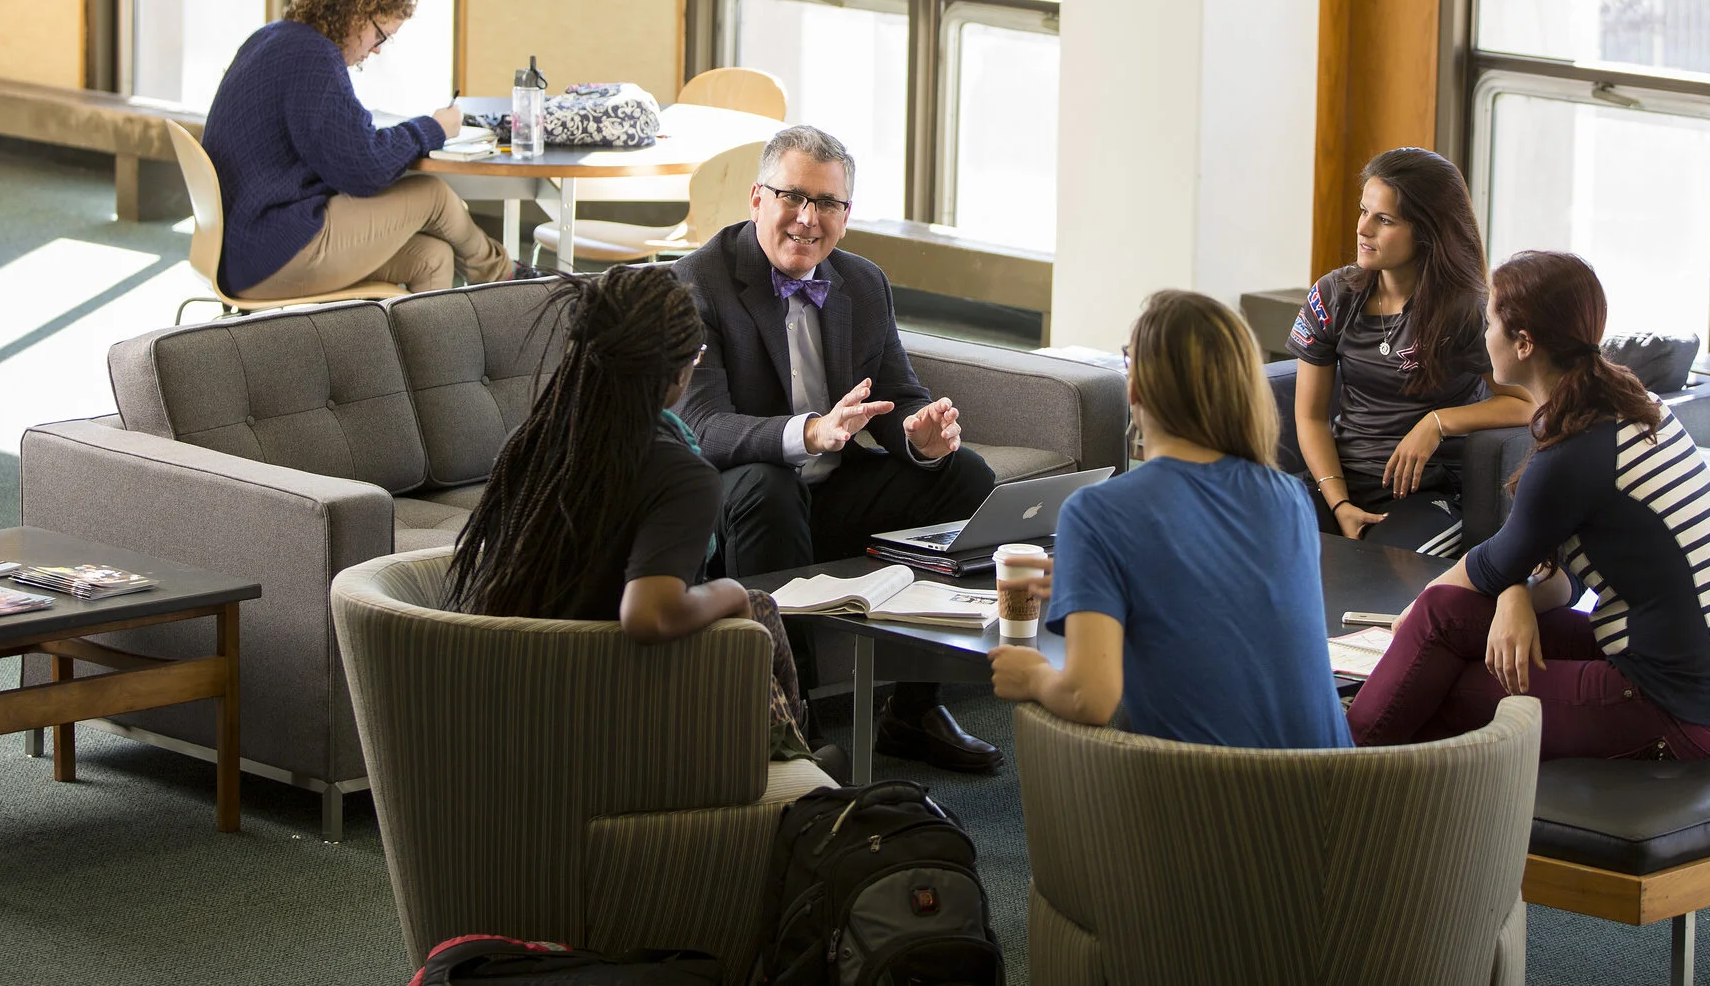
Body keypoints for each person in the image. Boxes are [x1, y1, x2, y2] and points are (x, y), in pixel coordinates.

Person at [672, 124, 1004, 773]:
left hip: (835, 493)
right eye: (791, 196)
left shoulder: (863, 282)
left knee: (965, 475)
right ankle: (792, 725)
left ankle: (914, 708)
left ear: (846, 216)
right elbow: (703, 425)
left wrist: (923, 436)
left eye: (826, 203)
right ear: (756, 198)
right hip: (740, 499)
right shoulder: (698, 282)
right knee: (769, 484)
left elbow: (900, 393)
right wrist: (807, 432)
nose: (806, 217)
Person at [1347, 250, 1710, 760]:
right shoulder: (1626, 406)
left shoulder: (1575, 449)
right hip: (1692, 683)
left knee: (1436, 669)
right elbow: (1569, 574)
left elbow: (1496, 563)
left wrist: (1420, 610)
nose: (1483, 334)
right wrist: (1511, 593)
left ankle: (1332, 772)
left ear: (1524, 343)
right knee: (1443, 616)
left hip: (1674, 708)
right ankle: (1347, 751)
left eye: (1490, 321)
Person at [446, 265, 837, 770]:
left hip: (516, 695)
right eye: (696, 357)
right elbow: (647, 615)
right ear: (676, 373)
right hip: (612, 707)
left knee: (760, 607)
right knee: (746, 605)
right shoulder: (681, 474)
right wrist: (729, 592)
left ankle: (795, 756)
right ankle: (789, 775)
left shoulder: (531, 443)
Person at [988, 289, 1351, 750]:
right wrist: (1106, 580)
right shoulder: (1290, 498)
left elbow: (1089, 699)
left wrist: (1035, 676)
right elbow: (1224, 603)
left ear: (1135, 386)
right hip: (1337, 797)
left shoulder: (1097, 513)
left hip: (1206, 802)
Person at [202, 0, 517, 300]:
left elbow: (336, 146)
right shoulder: (314, 59)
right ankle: (507, 279)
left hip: (243, 248)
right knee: (433, 195)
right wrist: (435, 127)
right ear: (354, 14)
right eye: (380, 35)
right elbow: (363, 170)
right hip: (272, 252)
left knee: (432, 258)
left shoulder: (274, 37)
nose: (377, 49)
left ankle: (428, 351)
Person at [1289, 147, 1536, 555]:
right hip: (1339, 479)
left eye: (1384, 220)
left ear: (1427, 231)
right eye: (1363, 211)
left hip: (1428, 492)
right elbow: (1310, 416)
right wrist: (1339, 502)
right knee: (1248, 541)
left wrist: (1437, 423)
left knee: (1388, 568)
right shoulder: (1332, 295)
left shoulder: (1469, 310)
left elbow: (1526, 403)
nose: (1363, 229)